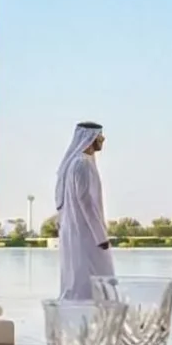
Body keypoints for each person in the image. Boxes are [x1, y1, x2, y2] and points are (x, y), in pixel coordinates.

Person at [54, 121, 115, 301]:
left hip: (79, 231)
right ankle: (93, 313)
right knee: (95, 275)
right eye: (100, 136)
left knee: (79, 273)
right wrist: (100, 236)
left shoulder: (78, 163)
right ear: (90, 138)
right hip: (87, 233)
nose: (102, 140)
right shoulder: (81, 164)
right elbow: (86, 201)